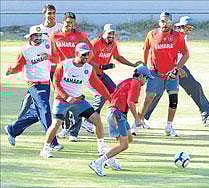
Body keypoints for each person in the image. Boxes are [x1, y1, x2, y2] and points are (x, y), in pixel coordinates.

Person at [143, 16, 209, 128]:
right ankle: (142, 118)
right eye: (188, 27)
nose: (190, 29)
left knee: (194, 87)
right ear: (181, 26)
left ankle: (206, 114)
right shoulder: (175, 34)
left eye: (191, 27)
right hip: (169, 68)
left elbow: (184, 54)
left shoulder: (182, 35)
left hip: (179, 67)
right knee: (156, 93)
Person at [4, 4, 63, 150]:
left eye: (39, 36)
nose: (38, 38)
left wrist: (49, 53)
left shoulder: (47, 45)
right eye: (35, 36)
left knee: (38, 112)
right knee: (45, 109)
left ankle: (13, 129)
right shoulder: (25, 51)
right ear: (29, 37)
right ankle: (53, 142)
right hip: (34, 84)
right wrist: (11, 70)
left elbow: (56, 60)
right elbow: (19, 67)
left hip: (45, 83)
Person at [39, 42, 111, 159]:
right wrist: (66, 97)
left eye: (87, 54)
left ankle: (101, 147)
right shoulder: (64, 65)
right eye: (83, 54)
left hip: (79, 101)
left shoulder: (88, 68)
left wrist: (110, 99)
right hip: (61, 100)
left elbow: (98, 85)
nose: (86, 57)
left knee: (97, 119)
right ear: (76, 54)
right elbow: (56, 83)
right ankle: (45, 149)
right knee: (56, 124)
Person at [70, 23, 142, 136]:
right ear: (103, 33)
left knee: (116, 93)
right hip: (90, 74)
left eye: (113, 34)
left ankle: (120, 122)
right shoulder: (96, 43)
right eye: (109, 33)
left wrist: (132, 65)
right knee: (101, 96)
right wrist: (101, 66)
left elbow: (118, 57)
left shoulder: (113, 44)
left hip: (101, 74)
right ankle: (88, 121)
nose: (111, 36)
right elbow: (87, 60)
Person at [89, 65, 154, 176]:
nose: (146, 81)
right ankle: (98, 162)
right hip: (117, 115)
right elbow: (130, 103)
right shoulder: (136, 84)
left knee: (128, 138)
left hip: (117, 114)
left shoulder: (128, 81)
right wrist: (137, 119)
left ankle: (110, 159)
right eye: (146, 78)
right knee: (124, 145)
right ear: (141, 76)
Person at [137, 12, 190, 137]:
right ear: (159, 22)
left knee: (173, 99)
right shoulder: (152, 34)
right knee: (148, 98)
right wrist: (144, 67)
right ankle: (137, 122)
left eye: (167, 21)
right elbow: (145, 50)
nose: (164, 24)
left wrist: (177, 68)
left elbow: (186, 54)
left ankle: (169, 126)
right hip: (155, 73)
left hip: (171, 74)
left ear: (171, 23)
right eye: (162, 21)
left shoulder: (178, 36)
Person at [49, 11, 93, 142]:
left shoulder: (80, 36)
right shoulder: (55, 35)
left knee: (76, 99)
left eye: (72, 23)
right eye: (68, 22)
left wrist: (83, 64)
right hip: (60, 72)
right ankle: (65, 127)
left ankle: (74, 132)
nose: (70, 25)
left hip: (76, 71)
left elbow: (90, 51)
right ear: (63, 21)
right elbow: (53, 53)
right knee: (62, 100)